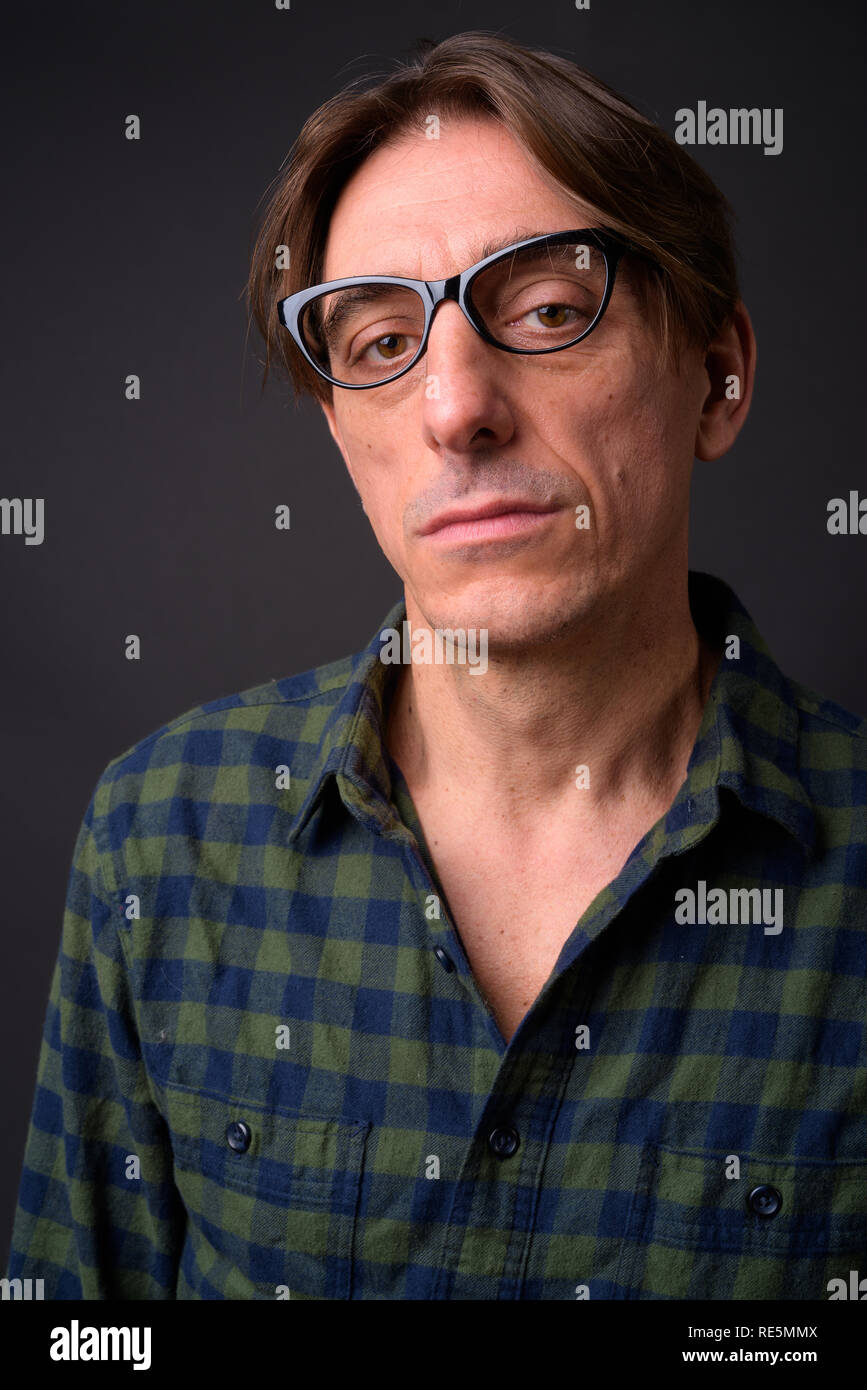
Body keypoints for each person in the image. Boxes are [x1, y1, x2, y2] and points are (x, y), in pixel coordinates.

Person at [7, 31, 866, 1302]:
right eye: (376, 342)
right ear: (344, 433)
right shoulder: (160, 836)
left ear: (718, 375)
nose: (455, 406)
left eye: (552, 309)